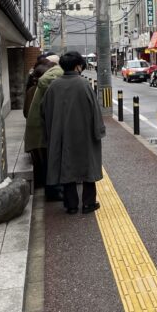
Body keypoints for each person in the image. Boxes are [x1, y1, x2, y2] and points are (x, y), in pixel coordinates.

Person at [42, 51, 106, 215]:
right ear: (78, 66)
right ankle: (88, 203)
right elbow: (95, 110)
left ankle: (70, 205)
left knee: (66, 167)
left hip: (61, 135)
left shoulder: (54, 86)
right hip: (84, 134)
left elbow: (45, 111)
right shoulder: (83, 84)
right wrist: (99, 130)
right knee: (88, 168)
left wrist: (51, 132)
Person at [24, 55, 63, 201]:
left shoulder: (39, 85)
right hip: (43, 130)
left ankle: (52, 190)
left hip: (38, 129)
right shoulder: (50, 82)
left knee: (48, 163)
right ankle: (53, 191)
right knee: (50, 162)